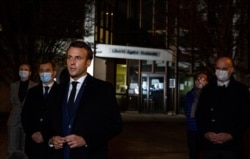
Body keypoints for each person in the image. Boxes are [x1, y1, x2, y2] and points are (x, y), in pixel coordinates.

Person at [47, 41, 122, 159]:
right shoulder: (56, 90)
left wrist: (86, 140)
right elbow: (47, 122)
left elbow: (115, 125)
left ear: (88, 62)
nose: (72, 63)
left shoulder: (103, 89)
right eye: (69, 57)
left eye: (78, 58)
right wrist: (51, 139)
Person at [195, 57, 250, 159]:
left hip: (232, 146)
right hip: (210, 145)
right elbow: (199, 115)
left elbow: (246, 117)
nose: (220, 72)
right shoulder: (207, 90)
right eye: (218, 68)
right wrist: (205, 133)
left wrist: (231, 135)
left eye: (224, 69)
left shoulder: (240, 90)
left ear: (231, 70)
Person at [21, 60, 58, 159]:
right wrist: (32, 133)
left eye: (47, 70)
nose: (44, 73)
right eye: (41, 70)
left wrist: (46, 135)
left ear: (54, 72)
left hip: (53, 145)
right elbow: (25, 115)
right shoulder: (32, 92)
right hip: (33, 145)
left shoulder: (62, 92)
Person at [7, 63, 37, 156]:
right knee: (12, 146)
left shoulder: (35, 86)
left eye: (26, 69)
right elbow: (13, 102)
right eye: (21, 69)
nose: (23, 71)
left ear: (30, 72)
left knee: (26, 147)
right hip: (14, 120)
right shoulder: (13, 85)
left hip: (28, 120)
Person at [184, 72, 208, 159]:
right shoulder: (190, 95)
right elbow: (188, 112)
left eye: (203, 79)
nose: (200, 81)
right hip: (192, 130)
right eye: (198, 79)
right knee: (193, 153)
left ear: (207, 82)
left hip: (206, 131)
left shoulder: (210, 95)